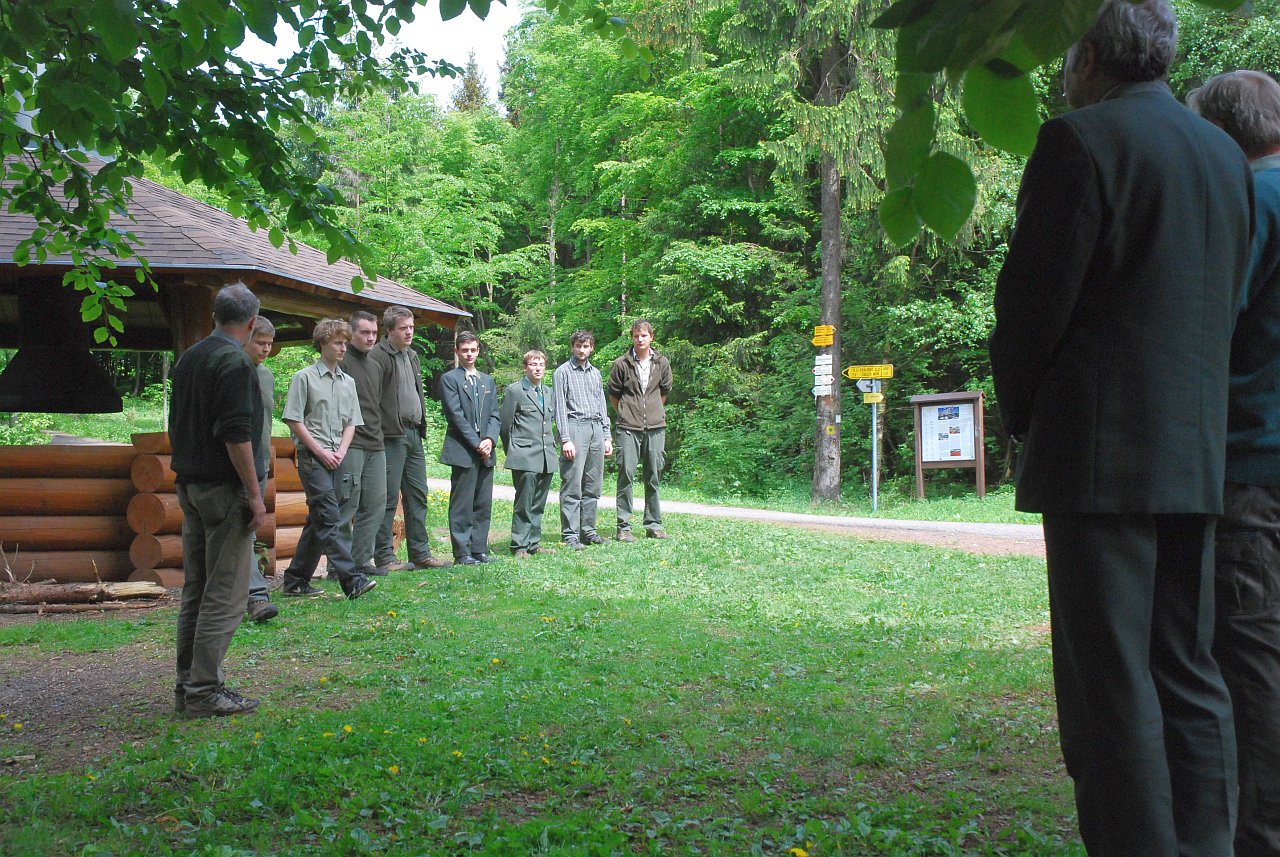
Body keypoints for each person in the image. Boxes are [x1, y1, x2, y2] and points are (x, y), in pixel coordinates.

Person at [987, 2, 1255, 853]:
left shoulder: (1079, 142)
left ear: (1092, 55)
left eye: (1069, 54)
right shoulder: (1224, 155)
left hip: (1097, 459)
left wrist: (1023, 415)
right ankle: (1206, 842)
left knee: (1110, 682)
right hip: (1197, 452)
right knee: (1189, 666)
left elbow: (1032, 307)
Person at [1188, 70, 1280, 857]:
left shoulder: (1251, 202)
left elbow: (1207, 323)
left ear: (1219, 136)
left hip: (1252, 467)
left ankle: (1260, 837)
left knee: (1254, 664)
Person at [169, 282, 267, 719]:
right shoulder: (235, 362)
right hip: (224, 492)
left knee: (196, 590)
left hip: (190, 487)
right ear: (252, 322)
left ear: (215, 316)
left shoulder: (190, 358)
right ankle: (204, 691)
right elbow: (236, 435)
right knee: (225, 595)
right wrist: (254, 494)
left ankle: (187, 684)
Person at [279, 319, 377, 600]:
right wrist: (321, 452)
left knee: (318, 519)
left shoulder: (348, 382)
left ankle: (295, 580)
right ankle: (352, 579)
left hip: (338, 456)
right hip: (313, 458)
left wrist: (341, 452)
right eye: (337, 343)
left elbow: (351, 422)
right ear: (322, 343)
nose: (343, 348)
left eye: (345, 343)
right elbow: (294, 419)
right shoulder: (304, 377)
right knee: (329, 517)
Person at [372, 306, 450, 570]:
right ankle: (384, 557)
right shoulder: (378, 356)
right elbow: (372, 399)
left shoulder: (412, 355)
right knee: (387, 497)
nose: (409, 332)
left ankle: (420, 553)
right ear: (389, 330)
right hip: (390, 435)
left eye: (412, 327)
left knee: (418, 495)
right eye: (403, 328)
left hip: (414, 433)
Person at [439, 331, 501, 565]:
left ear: (478, 351)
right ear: (457, 351)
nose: (469, 354)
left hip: (486, 450)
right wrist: (476, 443)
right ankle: (462, 552)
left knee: (483, 503)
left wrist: (490, 440)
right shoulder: (450, 379)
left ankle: (479, 549)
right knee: (462, 503)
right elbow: (455, 416)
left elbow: (495, 415)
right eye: (464, 350)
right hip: (463, 449)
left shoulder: (487, 381)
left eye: (473, 350)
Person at [608, 320, 673, 541]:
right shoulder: (621, 364)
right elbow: (614, 396)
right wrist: (627, 413)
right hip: (628, 427)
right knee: (626, 475)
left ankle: (654, 524)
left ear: (651, 337)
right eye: (636, 336)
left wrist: (652, 413)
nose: (640, 339)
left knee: (653, 475)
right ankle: (623, 527)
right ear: (632, 338)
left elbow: (663, 393)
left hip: (655, 427)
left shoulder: (662, 363)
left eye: (644, 335)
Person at [339, 310, 390, 578]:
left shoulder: (376, 365)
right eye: (365, 333)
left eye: (374, 333)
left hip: (376, 442)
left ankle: (361, 560)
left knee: (376, 503)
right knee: (347, 504)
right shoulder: (342, 362)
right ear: (352, 333)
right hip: (351, 443)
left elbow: (376, 404)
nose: (371, 338)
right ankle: (340, 565)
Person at [553, 330, 613, 549]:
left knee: (593, 484)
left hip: (596, 428)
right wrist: (565, 439)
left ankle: (588, 530)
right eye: (578, 345)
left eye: (585, 346)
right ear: (572, 347)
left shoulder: (595, 373)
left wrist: (607, 435)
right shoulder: (562, 372)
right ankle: (570, 534)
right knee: (572, 483)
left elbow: (602, 404)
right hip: (575, 427)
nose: (581, 350)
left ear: (591, 348)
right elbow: (559, 407)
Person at [500, 350, 558, 558]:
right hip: (524, 456)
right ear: (525, 367)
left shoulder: (548, 392)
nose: (538, 368)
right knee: (524, 503)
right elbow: (505, 426)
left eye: (541, 364)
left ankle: (533, 543)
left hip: (546, 456)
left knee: (538, 503)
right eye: (533, 364)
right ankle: (519, 545)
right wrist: (514, 452)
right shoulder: (515, 391)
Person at [242, 315, 280, 622]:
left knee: (249, 530)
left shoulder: (266, 375)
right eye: (260, 342)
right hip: (234, 466)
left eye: (269, 343)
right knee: (241, 533)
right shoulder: (231, 371)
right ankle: (256, 596)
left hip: (260, 463)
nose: (265, 349)